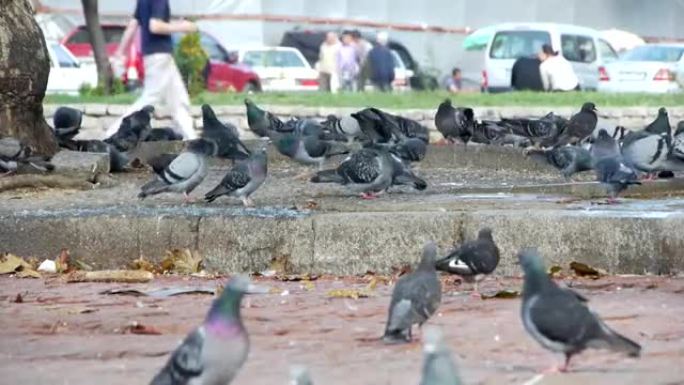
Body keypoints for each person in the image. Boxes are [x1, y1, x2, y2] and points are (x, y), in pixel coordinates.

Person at [106, 0, 198, 140]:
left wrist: (120, 52)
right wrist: (181, 26)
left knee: (179, 101)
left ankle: (192, 139)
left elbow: (133, 24)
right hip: (160, 56)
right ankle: (113, 133)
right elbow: (155, 26)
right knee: (149, 98)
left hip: (156, 56)